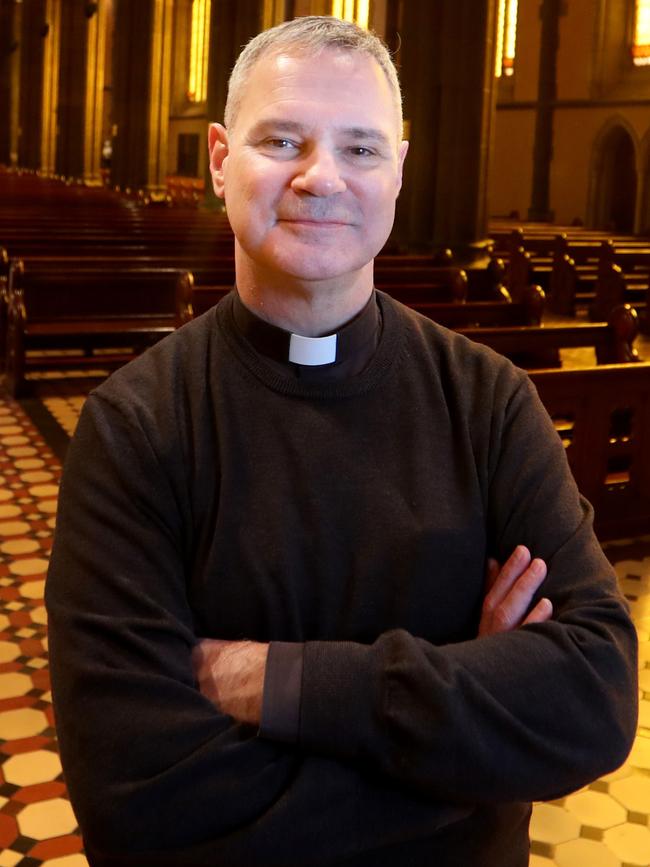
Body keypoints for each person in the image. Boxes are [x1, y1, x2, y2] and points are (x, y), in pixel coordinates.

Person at [45, 16, 637, 867]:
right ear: (220, 160)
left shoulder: (491, 402)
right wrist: (472, 745)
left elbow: (594, 699)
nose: (321, 177)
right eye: (283, 139)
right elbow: (139, 807)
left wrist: (283, 682)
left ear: (401, 166)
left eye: (361, 149)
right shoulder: (136, 427)